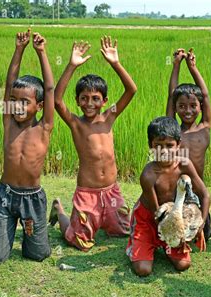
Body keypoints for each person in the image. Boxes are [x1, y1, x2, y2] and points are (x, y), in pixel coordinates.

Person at [49, 36, 137, 251]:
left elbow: (131, 90)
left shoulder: (110, 117)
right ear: (78, 100)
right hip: (87, 193)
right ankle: (59, 210)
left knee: (123, 232)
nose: (90, 103)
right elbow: (57, 101)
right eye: (84, 98)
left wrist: (115, 63)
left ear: (104, 101)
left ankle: (105, 219)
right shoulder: (76, 123)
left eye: (95, 98)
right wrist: (71, 65)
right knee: (80, 242)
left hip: (112, 192)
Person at [0, 30, 54, 263]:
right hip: (5, 196)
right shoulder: (9, 122)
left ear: (39, 105)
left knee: (38, 254)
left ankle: (47, 217)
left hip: (32, 199)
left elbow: (50, 89)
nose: (18, 106)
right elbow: (10, 83)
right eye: (14, 101)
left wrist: (41, 53)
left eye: (25, 102)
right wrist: (19, 49)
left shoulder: (44, 128)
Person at [126, 117, 211, 276]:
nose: (164, 151)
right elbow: (156, 215)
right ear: (151, 145)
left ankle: (166, 246)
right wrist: (177, 233)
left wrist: (199, 226)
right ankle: (139, 243)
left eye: (169, 145)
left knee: (183, 264)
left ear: (178, 145)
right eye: (158, 145)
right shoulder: (148, 175)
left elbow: (205, 195)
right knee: (143, 270)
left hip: (172, 216)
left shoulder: (184, 165)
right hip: (150, 218)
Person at [166, 47, 211, 240]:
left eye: (193, 106)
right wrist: (176, 65)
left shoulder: (205, 127)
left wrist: (193, 67)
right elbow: (171, 94)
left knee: (204, 233)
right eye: (182, 106)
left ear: (200, 107)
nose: (188, 110)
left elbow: (206, 95)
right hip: (176, 190)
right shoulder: (173, 130)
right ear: (175, 108)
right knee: (175, 232)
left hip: (198, 190)